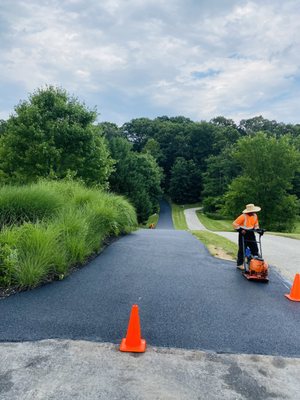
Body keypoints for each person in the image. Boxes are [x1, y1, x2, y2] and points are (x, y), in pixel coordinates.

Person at [232, 203, 261, 270]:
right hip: (243, 234)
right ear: (249, 211)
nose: (253, 212)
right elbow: (234, 224)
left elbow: (256, 225)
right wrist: (240, 230)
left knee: (254, 247)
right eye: (252, 211)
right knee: (242, 249)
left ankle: (254, 262)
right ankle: (239, 264)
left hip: (251, 233)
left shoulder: (255, 216)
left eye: (254, 211)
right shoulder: (243, 216)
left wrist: (258, 230)